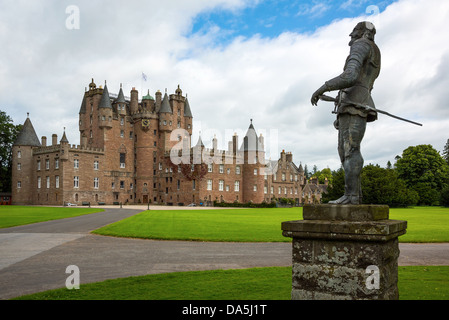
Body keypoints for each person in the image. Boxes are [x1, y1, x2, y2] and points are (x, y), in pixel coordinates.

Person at [311, 21, 381, 205]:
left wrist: (323, 87)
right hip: (354, 103)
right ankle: (354, 195)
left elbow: (350, 76)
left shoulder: (362, 45)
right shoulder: (373, 49)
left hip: (354, 103)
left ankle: (351, 197)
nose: (350, 37)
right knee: (345, 150)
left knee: (350, 150)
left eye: (354, 32)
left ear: (361, 33)